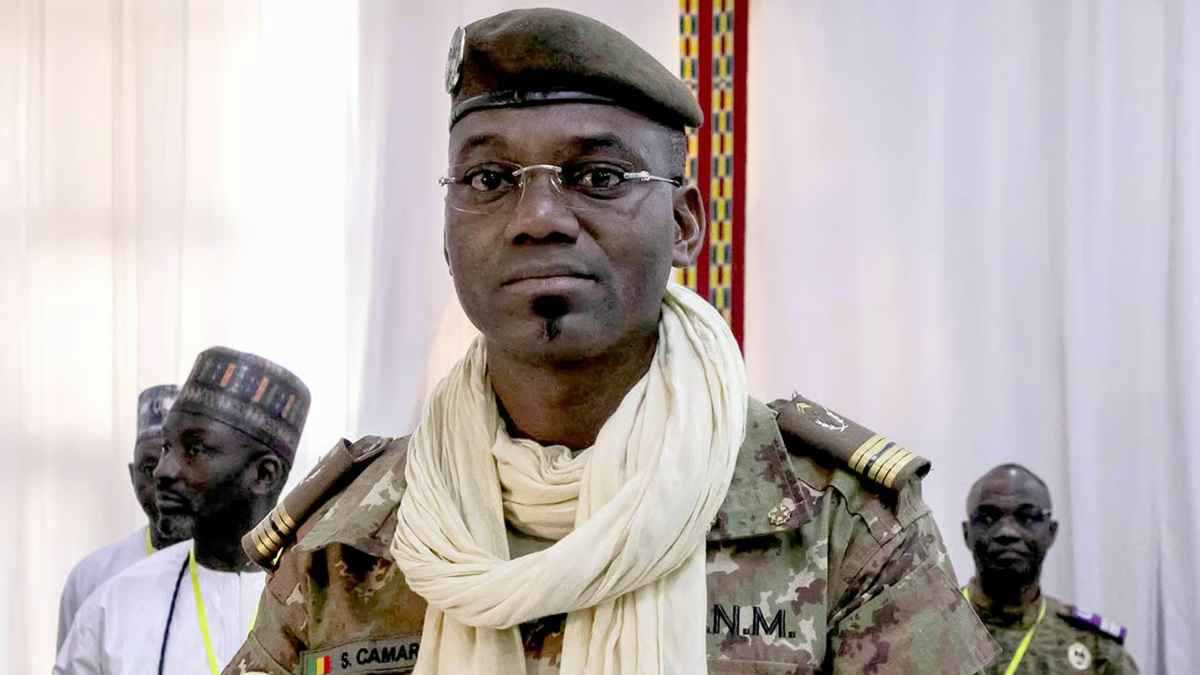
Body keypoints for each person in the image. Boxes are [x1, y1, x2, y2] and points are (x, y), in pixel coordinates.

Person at [226, 8, 996, 675]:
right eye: (489, 179)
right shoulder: (346, 543)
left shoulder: (835, 525)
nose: (537, 217)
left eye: (597, 176)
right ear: (446, 234)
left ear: (685, 223)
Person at [54, 347, 309, 675]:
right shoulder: (114, 607)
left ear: (264, 474)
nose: (162, 470)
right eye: (166, 446)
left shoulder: (327, 599)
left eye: (194, 449)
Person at [962, 464, 1139, 674]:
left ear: (1051, 532)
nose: (1007, 532)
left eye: (1027, 517)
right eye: (987, 518)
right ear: (967, 533)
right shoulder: (930, 628)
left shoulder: (1097, 649)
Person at [56, 384, 185, 649]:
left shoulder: (239, 575)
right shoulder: (91, 578)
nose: (163, 477)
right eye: (149, 467)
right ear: (132, 475)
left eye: (179, 465)